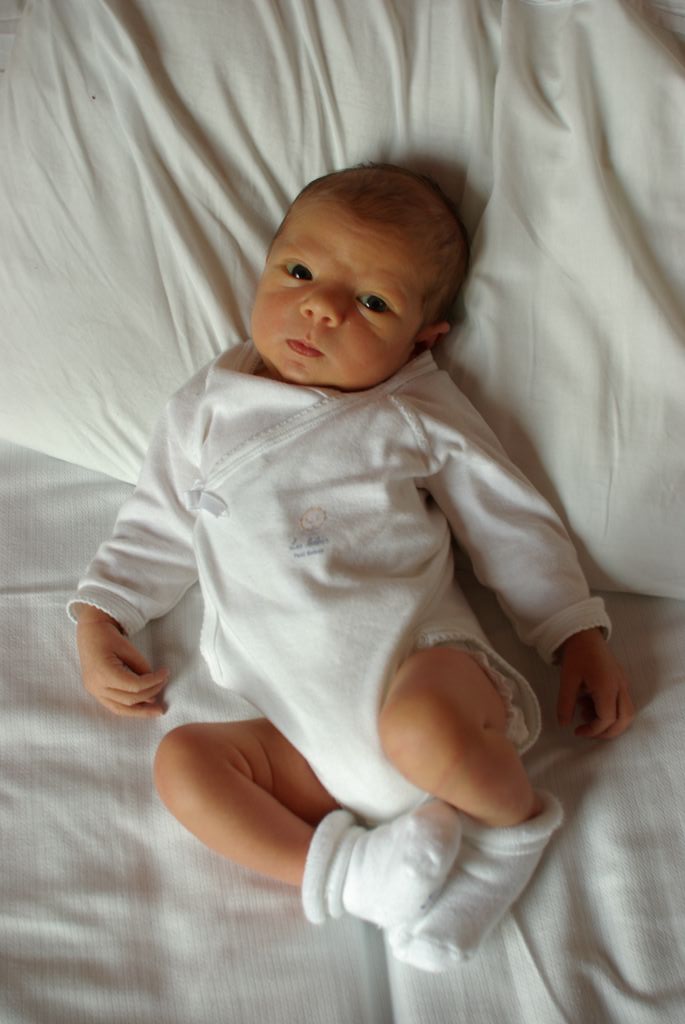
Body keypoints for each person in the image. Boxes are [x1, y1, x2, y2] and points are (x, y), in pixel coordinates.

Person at [69, 163, 634, 972]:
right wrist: (104, 614)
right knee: (183, 765)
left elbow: (507, 523)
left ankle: (506, 841)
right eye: (299, 272)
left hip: (420, 669)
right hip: (299, 732)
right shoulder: (205, 406)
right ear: (264, 268)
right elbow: (158, 520)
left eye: (372, 303)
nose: (322, 308)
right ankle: (346, 876)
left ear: (422, 338)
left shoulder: (410, 407)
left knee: (420, 728)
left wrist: (573, 633)